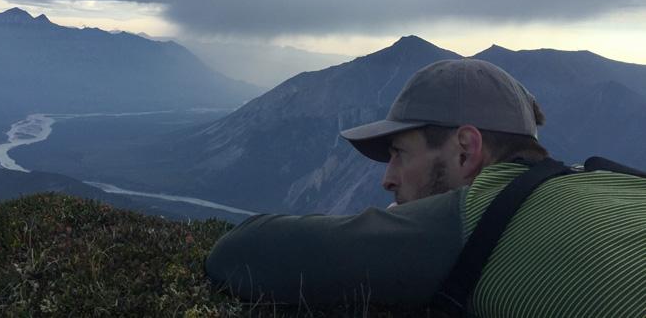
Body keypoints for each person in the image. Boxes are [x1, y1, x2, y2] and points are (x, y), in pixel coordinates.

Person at [205, 59, 646, 317]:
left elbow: (242, 253)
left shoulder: (477, 215)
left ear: (464, 150)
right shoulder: (613, 182)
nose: (387, 178)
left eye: (400, 152)